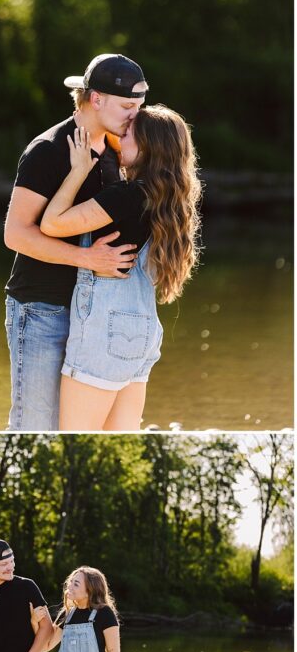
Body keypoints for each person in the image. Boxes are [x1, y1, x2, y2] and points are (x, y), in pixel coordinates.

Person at [3, 54, 149, 431]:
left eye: (139, 106)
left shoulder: (121, 151)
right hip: (41, 310)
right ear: (96, 99)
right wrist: (88, 259)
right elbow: (16, 234)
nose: (136, 115)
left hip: (92, 317)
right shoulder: (48, 150)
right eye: (128, 106)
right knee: (35, 425)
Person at [39, 106, 201, 429]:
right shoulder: (169, 203)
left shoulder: (125, 197)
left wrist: (79, 170)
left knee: (76, 441)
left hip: (105, 334)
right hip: (142, 335)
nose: (117, 138)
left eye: (126, 134)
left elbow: (51, 223)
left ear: (146, 147)